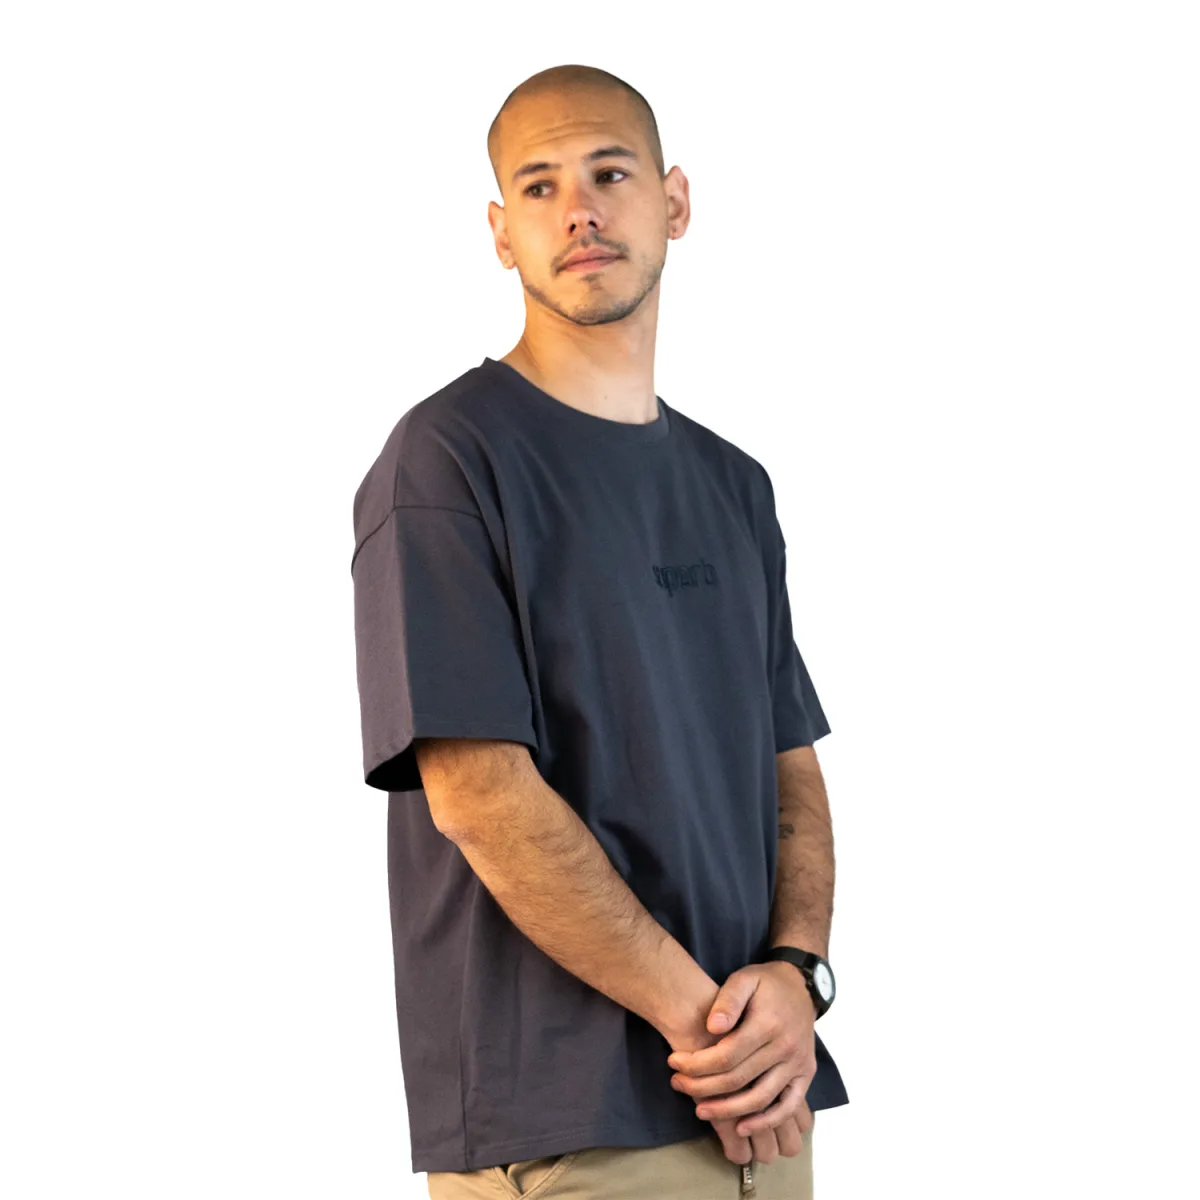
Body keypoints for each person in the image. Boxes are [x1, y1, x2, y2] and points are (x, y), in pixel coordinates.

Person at [349, 64, 848, 1200]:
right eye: (539, 186)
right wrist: (717, 1033)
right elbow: (481, 796)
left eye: (609, 173)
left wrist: (796, 975)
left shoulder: (735, 486)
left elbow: (790, 770)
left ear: (675, 202)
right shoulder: (446, 464)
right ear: (501, 233)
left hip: (765, 1114)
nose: (578, 210)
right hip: (572, 1127)